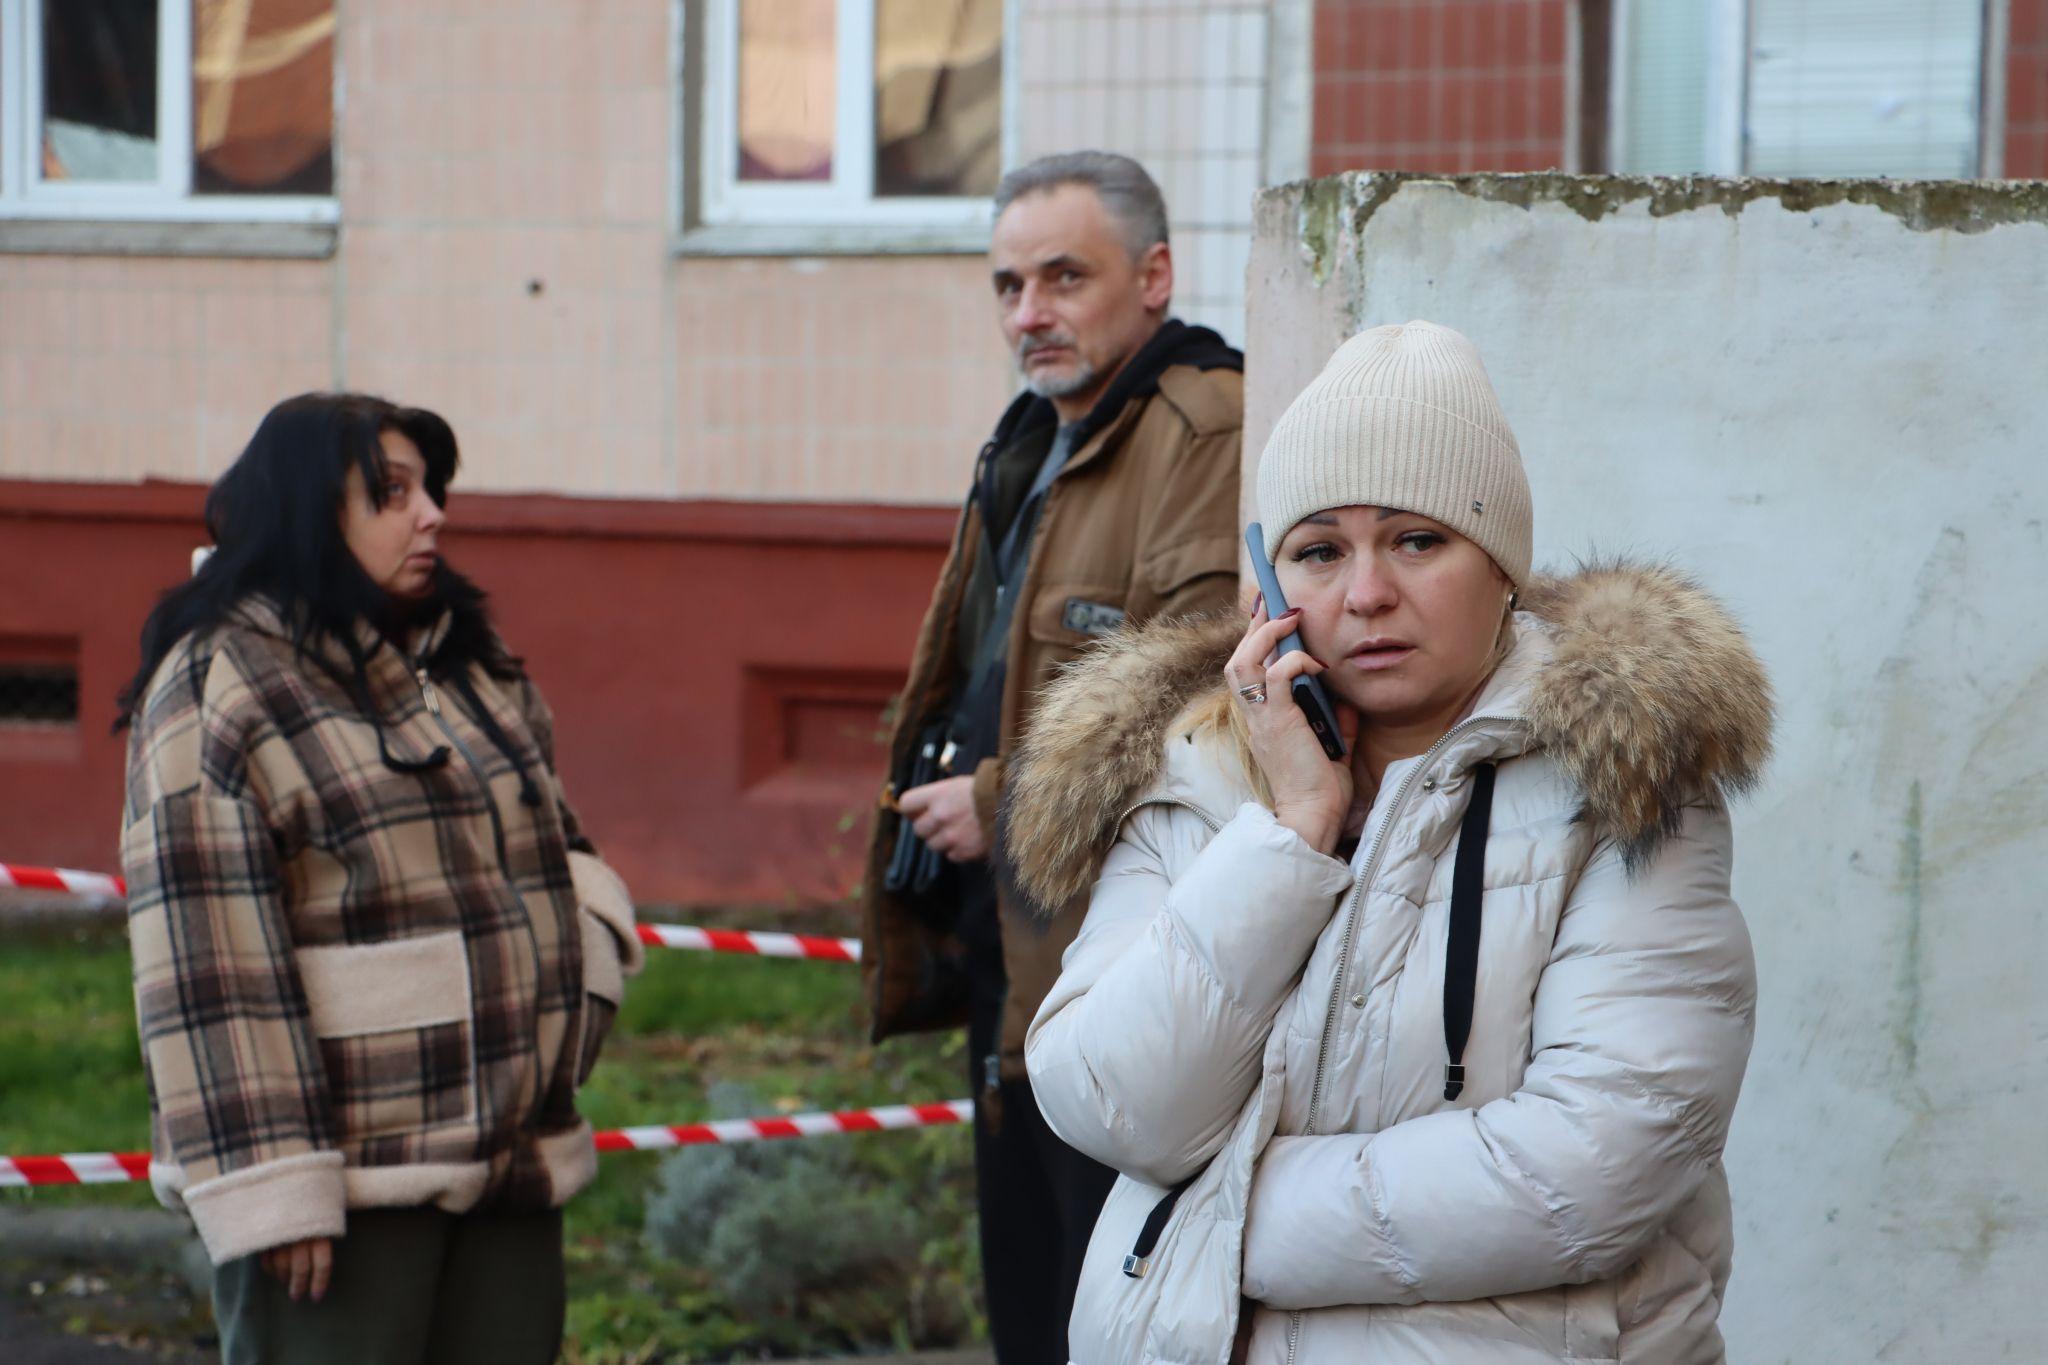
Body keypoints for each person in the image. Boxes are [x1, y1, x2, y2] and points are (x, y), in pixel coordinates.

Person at [1010, 321, 1773, 1362]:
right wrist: (1291, 831)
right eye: (1318, 552)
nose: (1365, 593)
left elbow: (1596, 1164)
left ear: (1499, 567)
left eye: (1415, 540)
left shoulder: (1626, 787)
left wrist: (1208, 1215)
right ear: (1266, 594)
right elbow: (1118, 1108)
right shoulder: (1196, 777)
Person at [116, 393, 642, 1365]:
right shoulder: (221, 680)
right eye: (391, 492)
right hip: (348, 1199)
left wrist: (588, 972)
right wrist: (274, 1187)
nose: (431, 514)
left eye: (429, 489)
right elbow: (206, 957)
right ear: (309, 511)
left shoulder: (465, 662)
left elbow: (564, 848)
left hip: (512, 1167)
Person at [859, 151, 1244, 1362]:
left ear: (1152, 275)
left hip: (1116, 961)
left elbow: (1196, 681)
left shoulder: (1198, 425)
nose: (1029, 314)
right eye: (1008, 286)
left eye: (1063, 278)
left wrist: (998, 797)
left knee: (1108, 1315)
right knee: (1029, 1303)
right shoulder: (1037, 436)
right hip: (1013, 943)